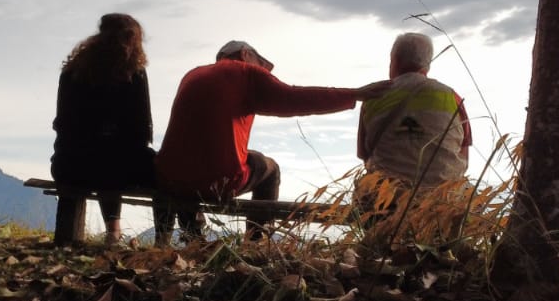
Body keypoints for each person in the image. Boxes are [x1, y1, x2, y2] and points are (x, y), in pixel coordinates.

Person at [155, 41, 387, 240]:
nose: (265, 72)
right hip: (218, 180)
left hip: (169, 176)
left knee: (191, 164)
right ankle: (256, 243)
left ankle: (191, 237)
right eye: (262, 65)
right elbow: (294, 98)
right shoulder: (246, 74)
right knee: (270, 169)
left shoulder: (193, 74)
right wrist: (353, 94)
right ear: (246, 54)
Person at [51, 13, 182, 245]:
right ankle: (162, 241)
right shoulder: (133, 73)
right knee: (166, 172)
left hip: (68, 166)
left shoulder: (72, 71)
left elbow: (63, 124)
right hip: (117, 166)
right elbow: (142, 130)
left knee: (103, 158)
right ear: (134, 40)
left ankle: (113, 231)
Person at [356, 32, 472, 190]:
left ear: (394, 61)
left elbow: (364, 154)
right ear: (427, 64)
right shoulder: (453, 98)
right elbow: (464, 155)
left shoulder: (373, 96)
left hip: (386, 199)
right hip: (443, 200)